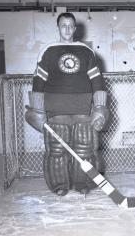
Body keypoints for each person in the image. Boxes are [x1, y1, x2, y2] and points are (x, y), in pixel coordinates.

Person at [25, 12, 109, 196]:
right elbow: (38, 81)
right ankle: (59, 185)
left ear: (75, 28)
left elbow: (97, 80)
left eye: (71, 25)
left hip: (83, 109)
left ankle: (82, 183)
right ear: (58, 27)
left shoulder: (86, 51)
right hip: (56, 109)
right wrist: (37, 110)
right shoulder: (48, 50)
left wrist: (100, 107)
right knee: (57, 151)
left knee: (85, 149)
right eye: (64, 25)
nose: (68, 29)